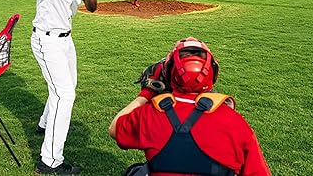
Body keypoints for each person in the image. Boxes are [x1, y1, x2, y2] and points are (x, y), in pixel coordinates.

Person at [109, 37, 271, 176]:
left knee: (137, 171)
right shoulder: (235, 123)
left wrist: (146, 93)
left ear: (170, 71)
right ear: (212, 72)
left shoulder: (150, 113)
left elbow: (114, 129)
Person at [28, 0, 98, 175]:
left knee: (67, 87)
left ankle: (44, 124)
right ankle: (49, 162)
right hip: (46, 40)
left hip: (65, 41)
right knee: (64, 95)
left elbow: (92, 8)